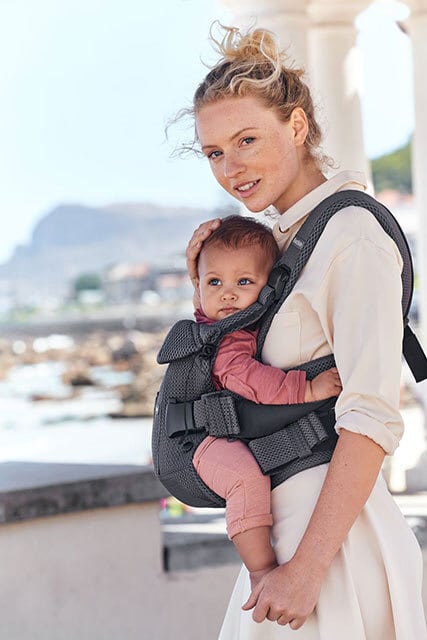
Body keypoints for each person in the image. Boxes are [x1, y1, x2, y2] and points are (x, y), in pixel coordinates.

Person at [180, 23, 427, 640]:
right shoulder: (285, 240)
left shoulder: (353, 238)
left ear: (295, 126)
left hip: (329, 554)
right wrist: (208, 290)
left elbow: (371, 417)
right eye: (214, 152)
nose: (230, 168)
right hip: (283, 534)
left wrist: (308, 570)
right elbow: (240, 373)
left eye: (246, 140)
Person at [192, 214, 342, 589]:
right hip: (205, 442)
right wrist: (305, 390)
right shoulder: (226, 335)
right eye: (215, 282)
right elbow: (245, 378)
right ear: (199, 287)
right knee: (245, 478)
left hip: (220, 433)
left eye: (244, 282)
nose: (227, 293)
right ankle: (259, 570)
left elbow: (209, 290)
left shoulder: (232, 320)